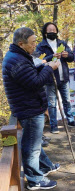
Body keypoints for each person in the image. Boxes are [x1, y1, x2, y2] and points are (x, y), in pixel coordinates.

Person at [2, 27, 60, 190]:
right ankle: (35, 179)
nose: (35, 45)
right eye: (33, 42)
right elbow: (34, 82)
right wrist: (49, 68)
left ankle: (45, 166)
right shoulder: (17, 61)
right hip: (29, 108)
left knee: (34, 141)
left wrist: (44, 65)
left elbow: (31, 74)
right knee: (32, 146)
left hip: (28, 106)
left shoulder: (18, 56)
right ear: (21, 43)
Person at [36, 22, 75, 133]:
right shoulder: (41, 46)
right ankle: (53, 125)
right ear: (45, 32)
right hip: (50, 79)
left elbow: (72, 57)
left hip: (64, 77)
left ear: (57, 31)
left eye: (54, 30)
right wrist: (52, 56)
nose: (52, 32)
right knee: (52, 104)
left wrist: (67, 55)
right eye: (49, 30)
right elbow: (38, 62)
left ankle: (71, 121)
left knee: (67, 100)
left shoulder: (62, 43)